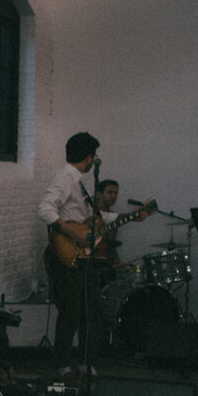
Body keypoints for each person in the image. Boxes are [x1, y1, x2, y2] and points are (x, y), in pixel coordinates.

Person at [38, 133, 148, 380]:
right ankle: (63, 366)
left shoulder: (79, 180)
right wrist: (72, 231)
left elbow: (92, 216)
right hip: (65, 254)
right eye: (93, 156)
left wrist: (129, 215)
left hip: (83, 257)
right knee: (71, 312)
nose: (93, 161)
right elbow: (45, 209)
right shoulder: (65, 178)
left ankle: (87, 364)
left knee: (93, 310)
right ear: (89, 157)